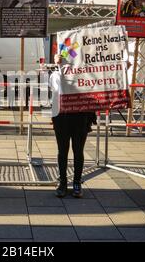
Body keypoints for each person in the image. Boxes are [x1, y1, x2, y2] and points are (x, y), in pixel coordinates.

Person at [50, 54, 96, 198]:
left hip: (81, 116)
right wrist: (59, 66)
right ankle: (62, 182)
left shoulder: (86, 75)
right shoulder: (55, 75)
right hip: (62, 117)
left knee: (78, 151)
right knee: (62, 151)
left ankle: (77, 182)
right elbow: (59, 87)